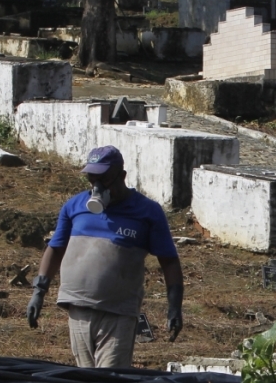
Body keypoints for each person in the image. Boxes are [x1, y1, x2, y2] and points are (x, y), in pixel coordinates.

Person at [26, 145, 184, 368]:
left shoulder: (146, 212)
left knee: (110, 381)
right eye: (92, 179)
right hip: (78, 308)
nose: (97, 187)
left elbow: (169, 261)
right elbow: (55, 248)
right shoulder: (74, 207)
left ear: (121, 176)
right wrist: (39, 291)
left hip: (118, 312)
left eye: (104, 179)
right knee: (85, 379)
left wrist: (174, 306)